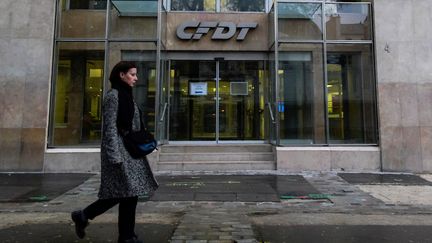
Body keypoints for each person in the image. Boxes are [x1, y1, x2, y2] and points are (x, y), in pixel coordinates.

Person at [71, 61, 159, 243]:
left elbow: (133, 124)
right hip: (119, 150)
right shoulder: (113, 96)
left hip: (129, 149)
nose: (136, 78)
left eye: (135, 74)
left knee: (128, 194)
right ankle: (123, 235)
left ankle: (92, 219)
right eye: (132, 74)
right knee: (125, 193)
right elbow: (110, 127)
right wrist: (114, 155)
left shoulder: (127, 95)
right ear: (121, 75)